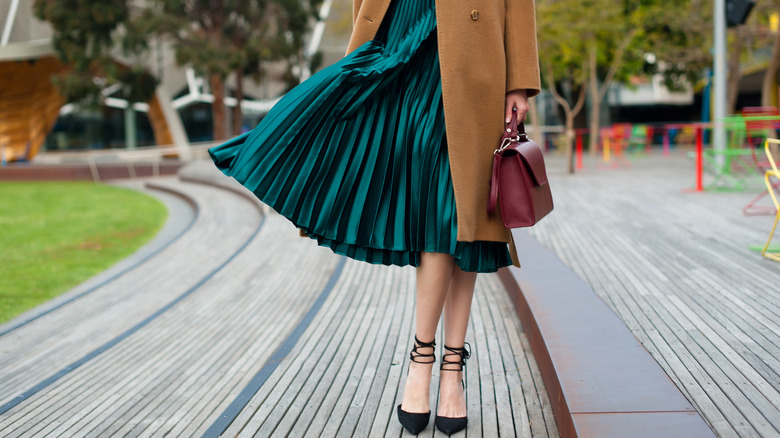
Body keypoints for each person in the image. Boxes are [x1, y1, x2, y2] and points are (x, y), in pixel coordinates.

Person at [209, 0, 540, 434]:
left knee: (465, 219)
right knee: (442, 215)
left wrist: (520, 82)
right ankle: (426, 362)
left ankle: (449, 369)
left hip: (475, 50)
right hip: (403, 44)